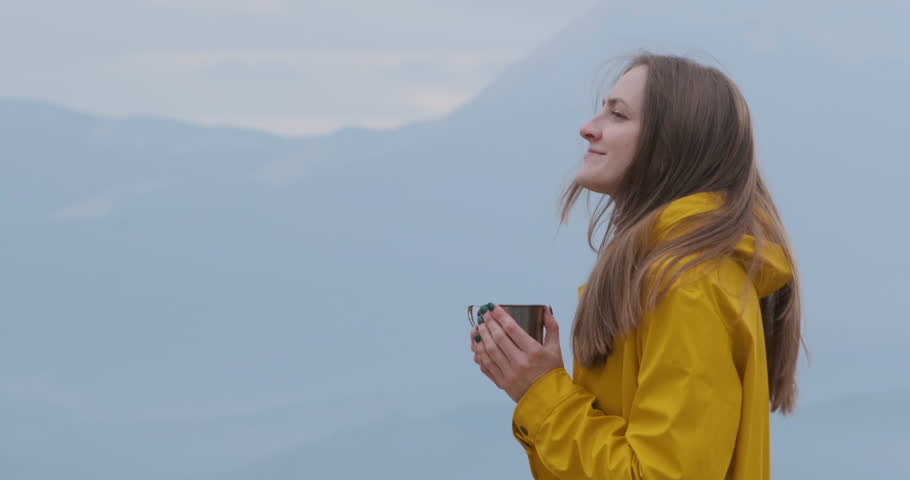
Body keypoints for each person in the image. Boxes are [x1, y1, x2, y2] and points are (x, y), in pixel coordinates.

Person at [469, 52, 803, 480]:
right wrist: (539, 389)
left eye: (618, 115)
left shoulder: (688, 284)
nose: (588, 127)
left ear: (668, 148)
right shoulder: (661, 274)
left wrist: (542, 393)